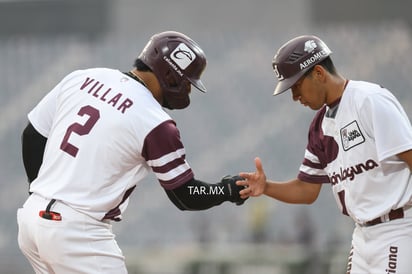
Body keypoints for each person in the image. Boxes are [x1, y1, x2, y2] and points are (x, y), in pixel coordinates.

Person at [18, 31, 246, 274]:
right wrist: (227, 189)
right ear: (170, 75)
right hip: (78, 233)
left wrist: (40, 192)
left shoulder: (84, 77)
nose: (188, 91)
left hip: (32, 220)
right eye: (188, 83)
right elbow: (185, 194)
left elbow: (32, 135)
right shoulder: (155, 121)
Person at [237, 35, 412, 273]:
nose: (294, 96)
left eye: (296, 86)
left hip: (398, 229)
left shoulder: (370, 100)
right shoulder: (319, 126)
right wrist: (266, 187)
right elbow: (307, 190)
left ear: (318, 73)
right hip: (362, 236)